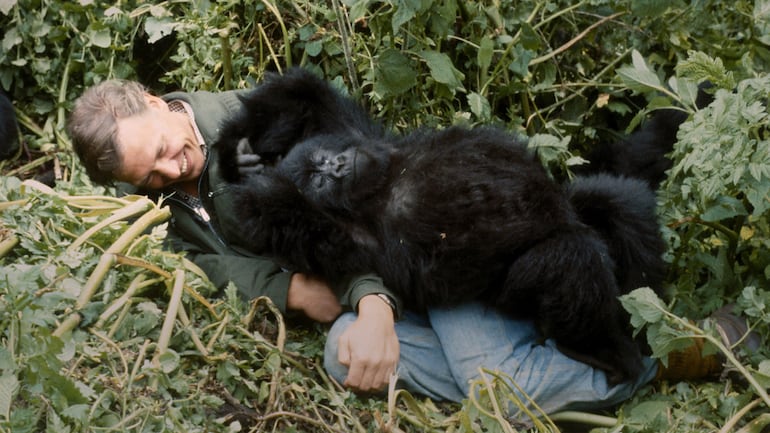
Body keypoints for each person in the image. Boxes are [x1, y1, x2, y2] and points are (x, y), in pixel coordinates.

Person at [67, 76, 757, 417]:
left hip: (440, 262)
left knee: (492, 388)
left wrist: (373, 304)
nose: (171, 169)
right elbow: (220, 263)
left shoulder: (258, 128)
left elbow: (371, 215)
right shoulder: (178, 208)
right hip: (401, 279)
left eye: (163, 150)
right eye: (149, 177)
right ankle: (540, 362)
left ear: (156, 101)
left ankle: (653, 364)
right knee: (342, 356)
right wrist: (289, 290)